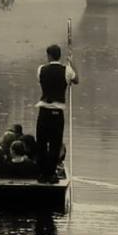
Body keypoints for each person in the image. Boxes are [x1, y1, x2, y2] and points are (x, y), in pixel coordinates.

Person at [35, 43, 79, 184]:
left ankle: (42, 174)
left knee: (41, 143)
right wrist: (72, 64)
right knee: (55, 144)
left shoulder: (41, 69)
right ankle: (51, 174)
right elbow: (76, 80)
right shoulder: (66, 70)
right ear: (59, 56)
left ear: (48, 56)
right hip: (57, 113)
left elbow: (41, 81)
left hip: (43, 112)